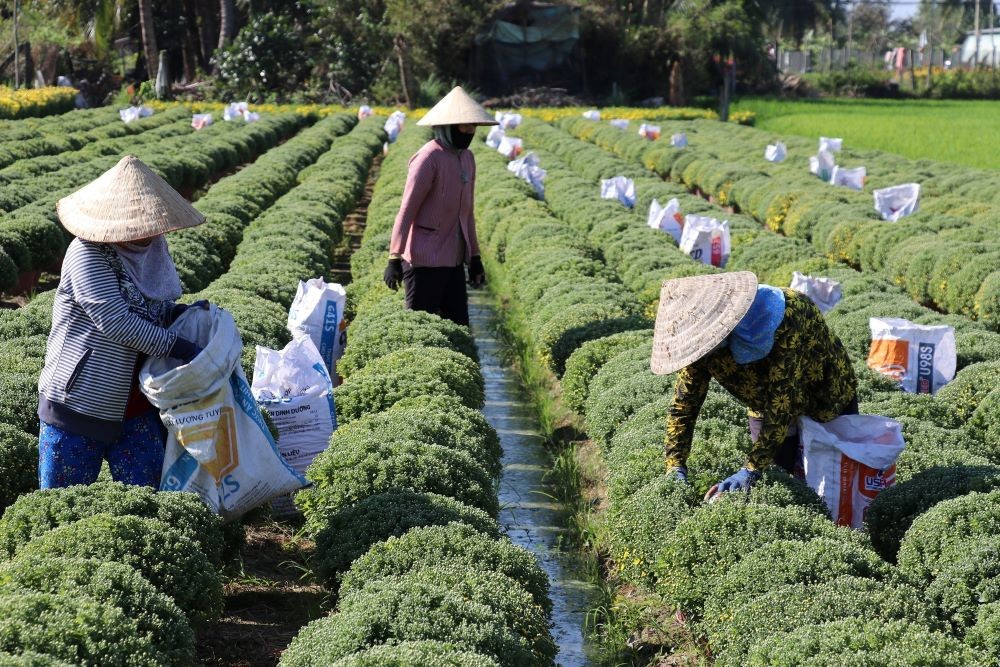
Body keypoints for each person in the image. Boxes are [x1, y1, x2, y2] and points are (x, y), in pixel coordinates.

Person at [37, 155, 209, 489]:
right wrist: (179, 346)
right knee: (65, 501)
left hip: (136, 403)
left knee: (147, 496)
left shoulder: (153, 248)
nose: (150, 231)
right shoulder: (87, 253)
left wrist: (182, 317)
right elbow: (116, 322)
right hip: (79, 400)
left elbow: (155, 305)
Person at [651, 271, 857, 500]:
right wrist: (675, 465)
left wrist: (751, 468)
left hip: (824, 396)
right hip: (763, 403)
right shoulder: (701, 346)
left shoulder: (788, 314)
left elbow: (782, 402)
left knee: (833, 486)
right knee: (779, 481)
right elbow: (684, 406)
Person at [383, 86, 499, 326]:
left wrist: (474, 257)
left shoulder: (467, 158)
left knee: (458, 327)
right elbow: (407, 211)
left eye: (472, 126)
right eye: (464, 126)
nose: (469, 132)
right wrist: (394, 257)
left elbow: (466, 214)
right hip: (423, 261)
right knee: (420, 326)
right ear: (446, 127)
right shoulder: (428, 158)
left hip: (454, 260)